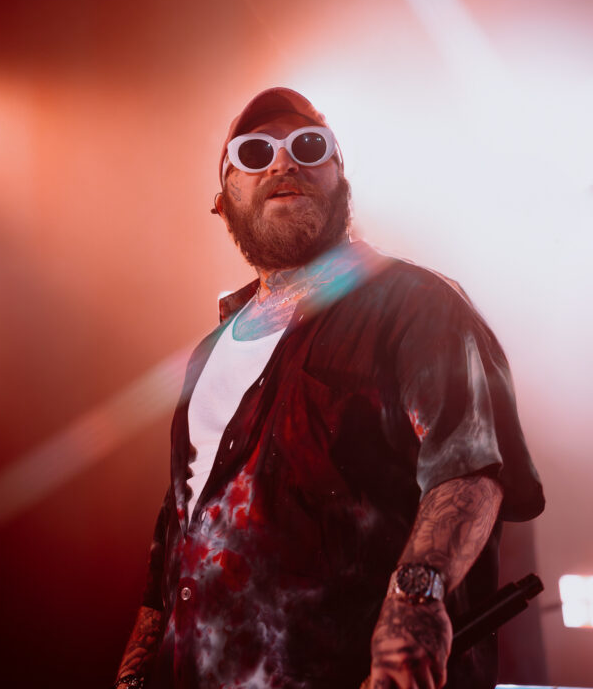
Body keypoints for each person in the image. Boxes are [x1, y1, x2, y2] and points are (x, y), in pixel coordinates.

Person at [114, 88, 544, 689]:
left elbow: (468, 469)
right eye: (255, 152)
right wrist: (136, 669)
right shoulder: (207, 355)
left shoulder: (417, 307)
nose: (284, 162)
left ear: (341, 179)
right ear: (223, 199)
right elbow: (178, 529)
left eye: (309, 146)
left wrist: (415, 603)